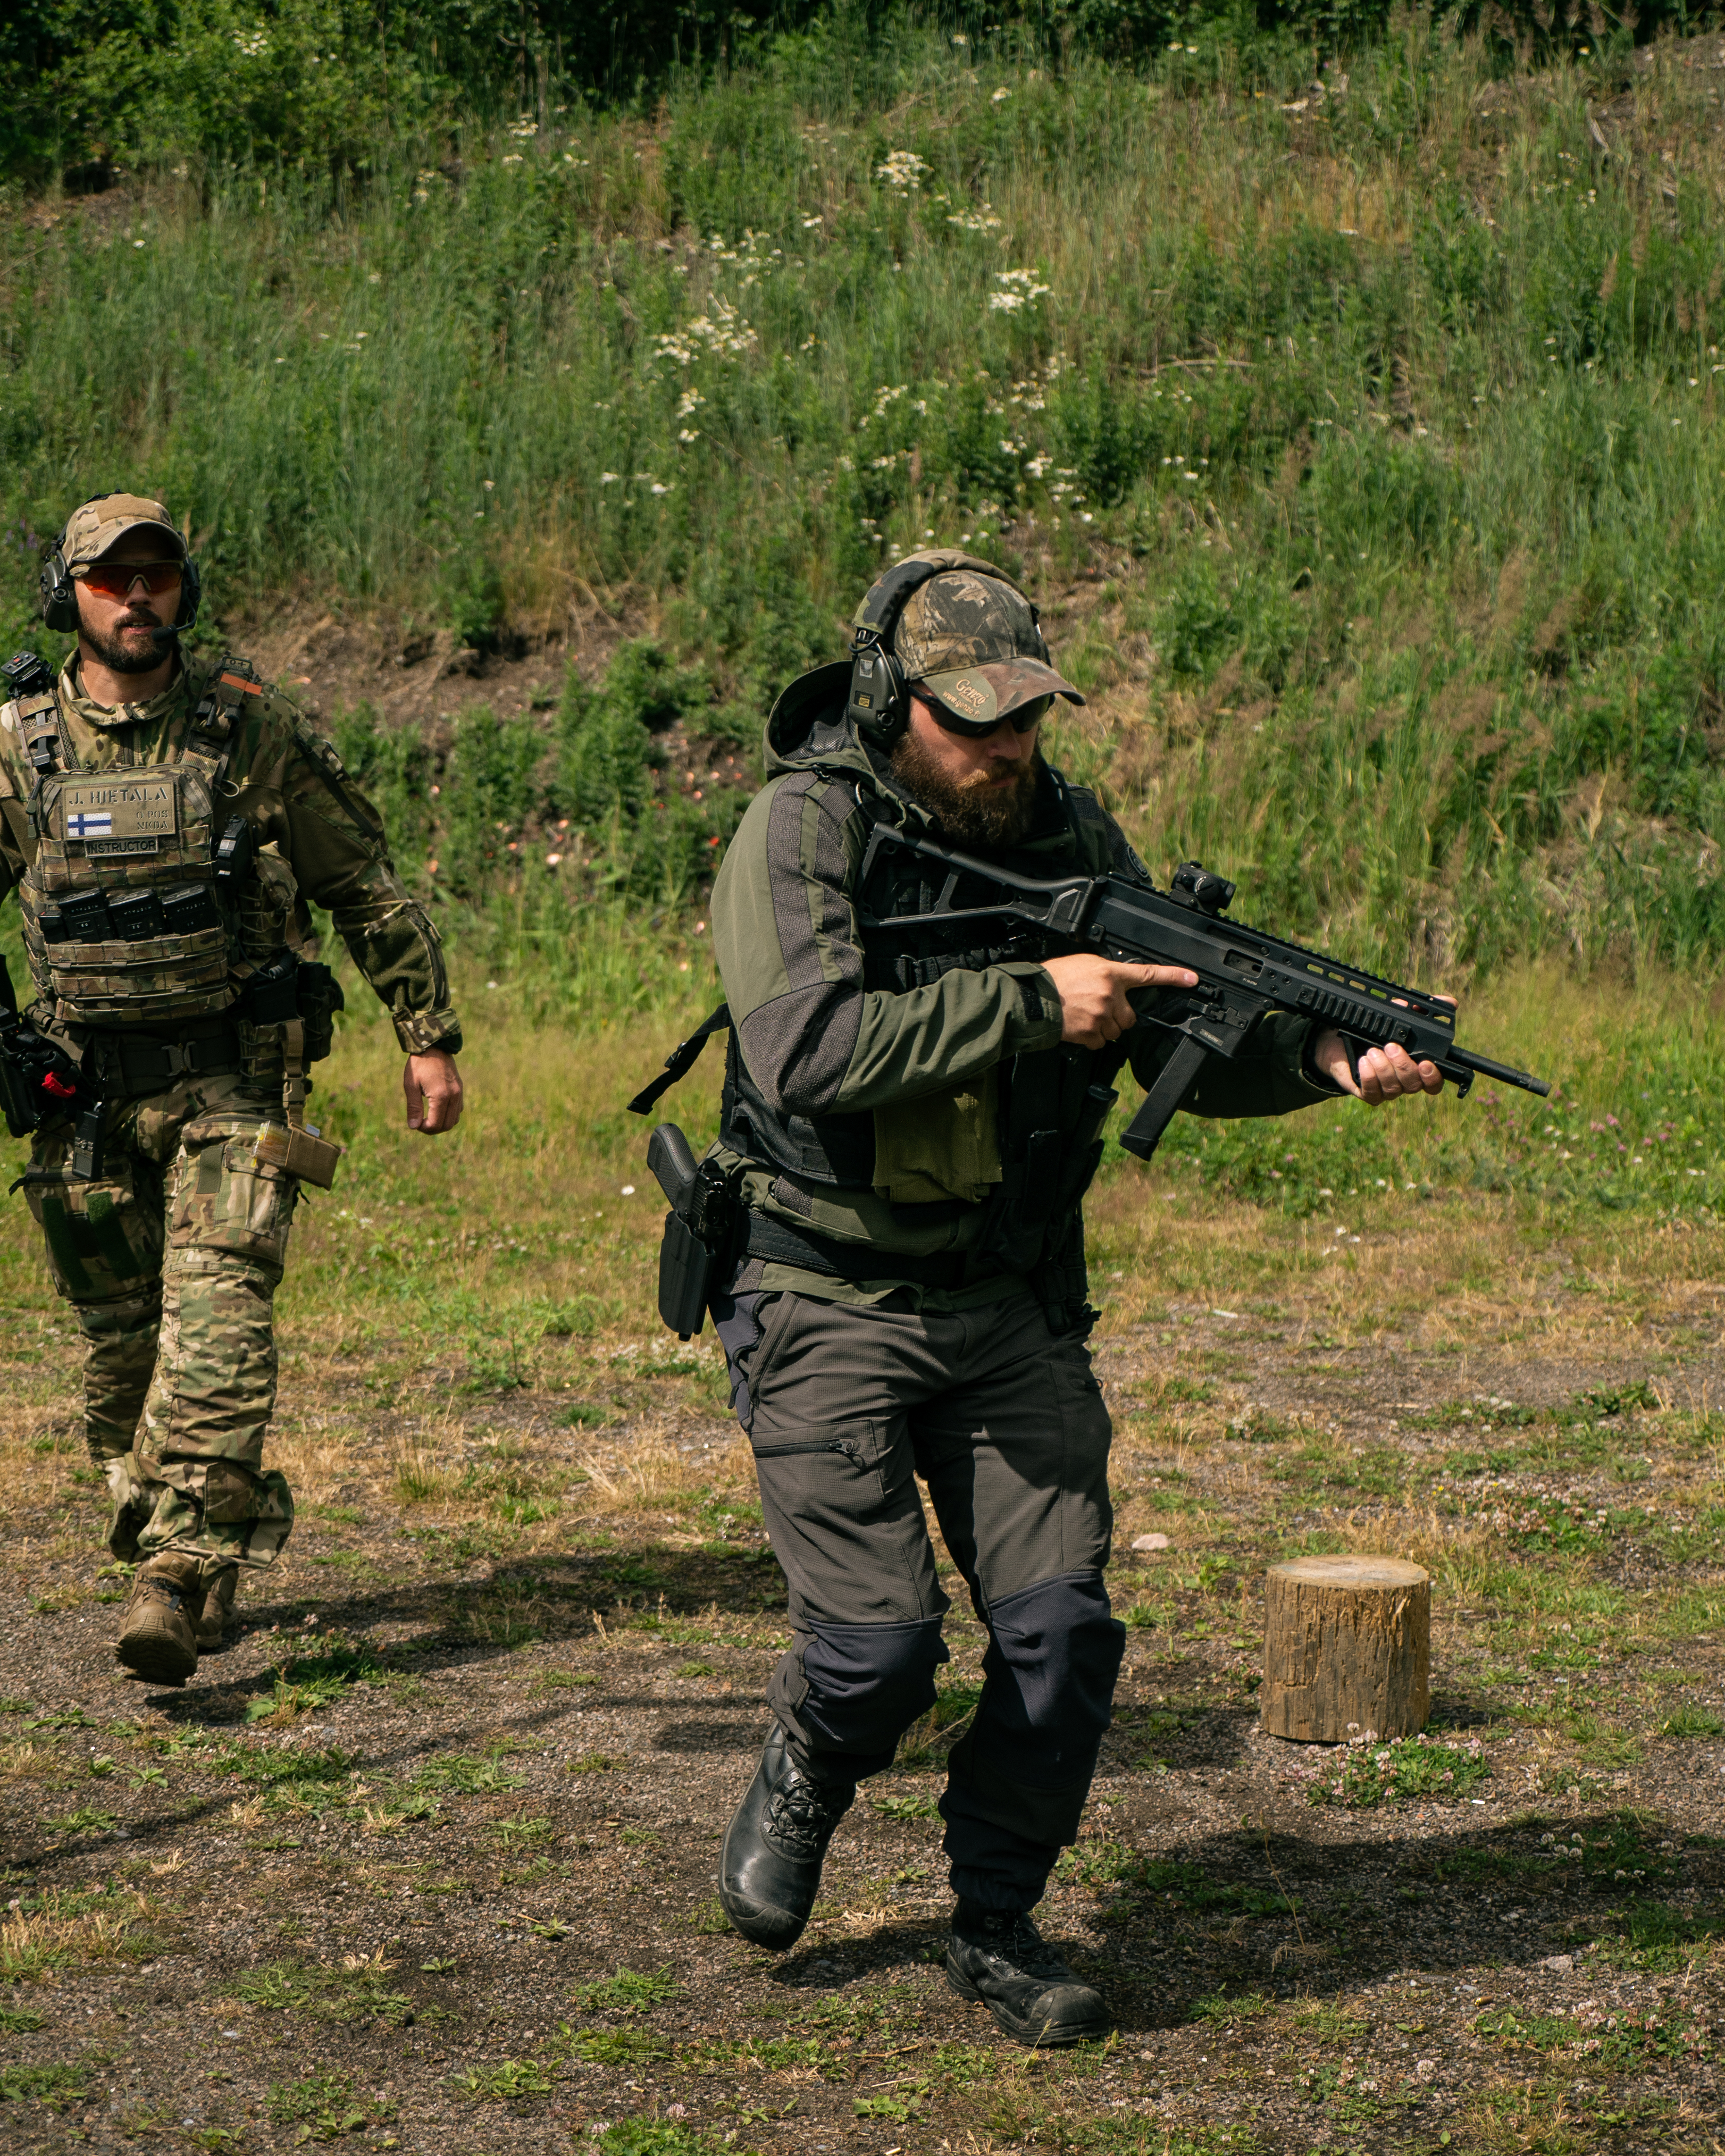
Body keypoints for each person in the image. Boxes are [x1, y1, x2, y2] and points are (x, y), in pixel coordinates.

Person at [698, 550, 1445, 2045]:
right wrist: (1037, 997)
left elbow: (1171, 1019)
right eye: (973, 722)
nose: (1005, 750)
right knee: (878, 1652)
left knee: (1058, 1639)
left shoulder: (1066, 832)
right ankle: (807, 1757)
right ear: (885, 701)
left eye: (1025, 717)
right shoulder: (803, 828)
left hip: (1008, 1297)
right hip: (824, 1284)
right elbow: (807, 1050)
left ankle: (995, 1919)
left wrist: (1315, 1060)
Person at [0, 493, 463, 1686]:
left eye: (156, 575)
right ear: (71, 596)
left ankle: (180, 1569)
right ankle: (174, 1515)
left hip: (230, 1081)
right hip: (86, 1099)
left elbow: (358, 879)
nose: (136, 596)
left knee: (220, 1322)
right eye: (111, 579)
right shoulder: (19, 743)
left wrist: (427, 1032)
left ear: (182, 589)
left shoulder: (243, 730)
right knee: (122, 1353)